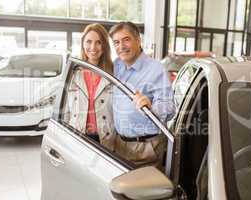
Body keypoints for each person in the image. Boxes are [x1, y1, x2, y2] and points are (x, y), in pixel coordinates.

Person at [109, 22, 175, 168]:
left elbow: (169, 108)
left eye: (126, 40)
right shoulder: (117, 65)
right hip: (119, 144)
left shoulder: (156, 69)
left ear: (138, 40)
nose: (121, 46)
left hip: (145, 148)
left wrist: (151, 107)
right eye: (116, 42)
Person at [63, 23, 115, 151]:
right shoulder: (73, 72)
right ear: (82, 44)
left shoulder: (113, 73)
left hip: (105, 139)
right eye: (89, 42)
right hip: (77, 136)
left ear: (105, 46)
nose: (93, 47)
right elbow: (65, 110)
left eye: (98, 42)